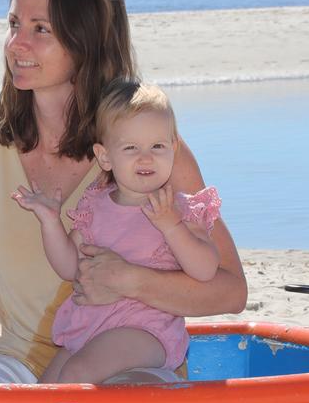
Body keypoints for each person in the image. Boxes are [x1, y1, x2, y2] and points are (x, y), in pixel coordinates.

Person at [0, 0, 247, 386]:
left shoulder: (147, 153)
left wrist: (132, 280)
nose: (17, 44)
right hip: (19, 358)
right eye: (14, 24)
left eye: (41, 30)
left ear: (86, 40)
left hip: (130, 359)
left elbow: (230, 290)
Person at [13, 78, 222, 383]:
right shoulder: (96, 205)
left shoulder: (179, 208)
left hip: (145, 330)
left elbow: (205, 270)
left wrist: (171, 225)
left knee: (78, 373)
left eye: (157, 146)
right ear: (105, 156)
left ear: (174, 148)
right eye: (131, 148)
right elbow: (70, 266)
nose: (146, 157)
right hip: (92, 328)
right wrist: (51, 223)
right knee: (46, 388)